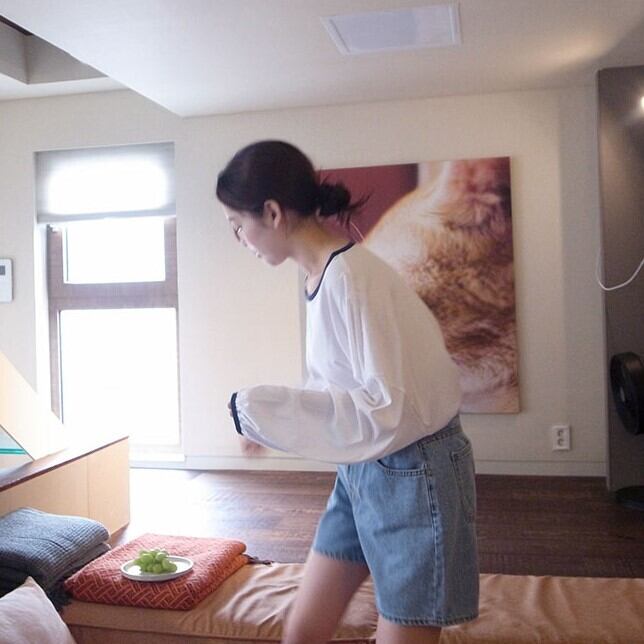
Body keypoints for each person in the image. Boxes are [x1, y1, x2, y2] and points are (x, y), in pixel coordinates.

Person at [216, 140, 479, 644]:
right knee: (302, 631)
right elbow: (341, 384)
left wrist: (261, 411)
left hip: (413, 471)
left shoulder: (352, 278)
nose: (239, 239)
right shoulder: (323, 273)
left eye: (236, 224)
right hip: (364, 469)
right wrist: (266, 426)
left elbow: (389, 407)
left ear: (272, 213)